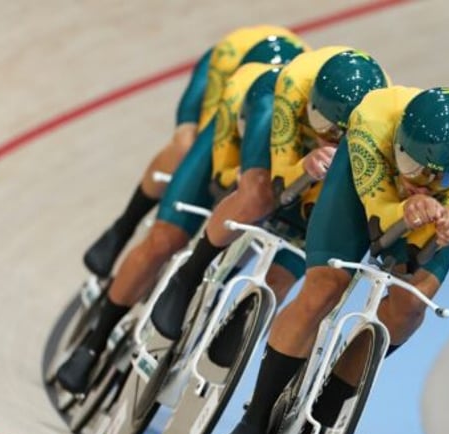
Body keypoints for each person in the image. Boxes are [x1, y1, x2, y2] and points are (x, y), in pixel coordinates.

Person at [219, 86, 449, 434]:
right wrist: (403, 207)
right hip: (357, 191)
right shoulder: (373, 119)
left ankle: (323, 418)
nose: (421, 181)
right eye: (414, 167)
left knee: (409, 309)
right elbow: (379, 210)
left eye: (440, 176)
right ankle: (256, 417)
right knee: (324, 288)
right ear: (398, 143)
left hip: (426, 214)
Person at [56, 46, 306, 394]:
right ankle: (92, 344)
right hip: (229, 156)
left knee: (253, 258)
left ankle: (202, 327)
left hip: (286, 181)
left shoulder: (331, 138)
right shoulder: (255, 97)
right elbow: (228, 170)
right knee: (165, 239)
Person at [150, 48, 390, 341]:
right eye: (324, 128)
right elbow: (280, 173)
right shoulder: (292, 86)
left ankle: (242, 330)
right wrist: (303, 165)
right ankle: (189, 275)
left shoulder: (377, 126)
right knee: (259, 194)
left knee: (312, 230)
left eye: (338, 134)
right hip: (269, 108)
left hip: (340, 143)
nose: (329, 137)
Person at [82, 25, 308, 278]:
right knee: (187, 148)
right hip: (232, 69)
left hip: (269, 103)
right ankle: (124, 225)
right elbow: (217, 157)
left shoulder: (299, 121)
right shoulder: (241, 89)